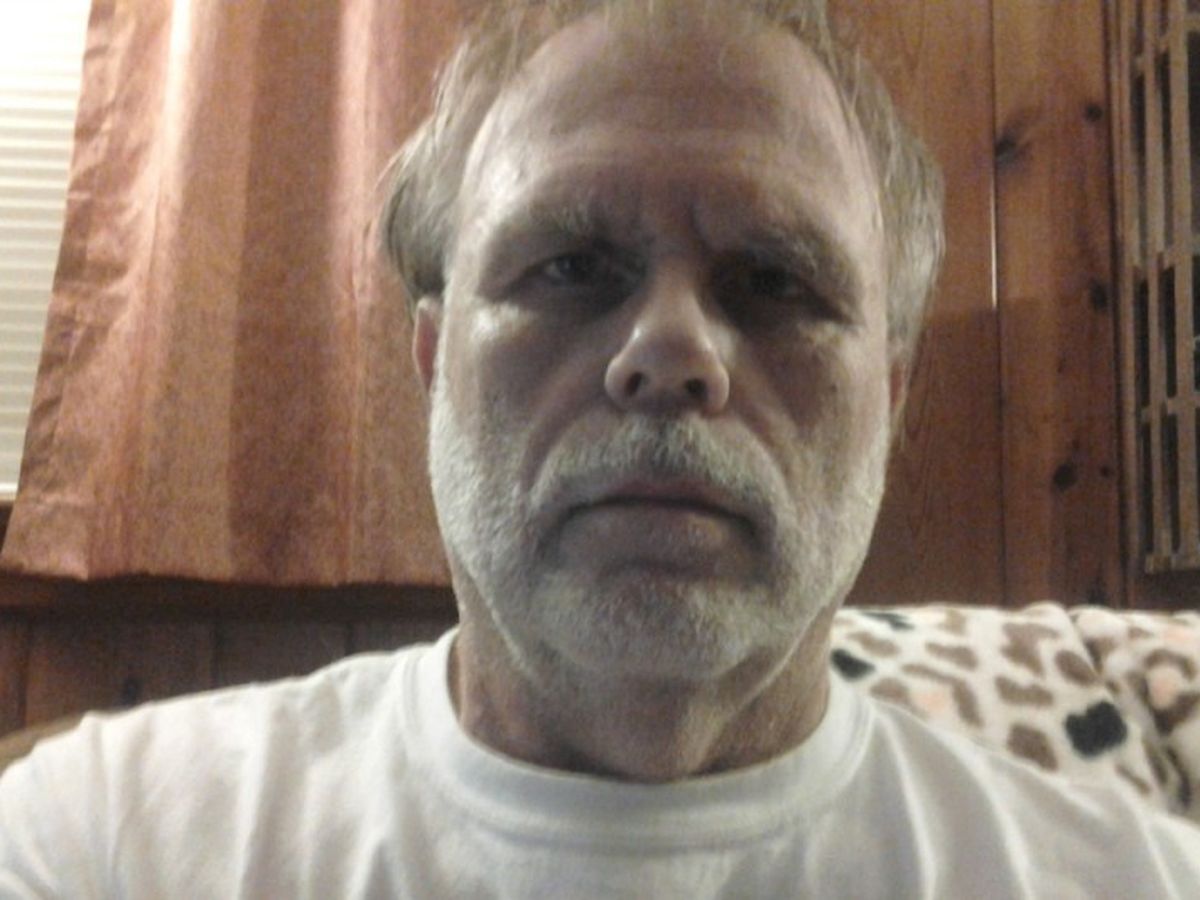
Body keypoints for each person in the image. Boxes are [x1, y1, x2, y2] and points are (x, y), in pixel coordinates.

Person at [2, 0, 1199, 897]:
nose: (671, 352)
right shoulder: (101, 844)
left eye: (776, 283)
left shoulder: (1132, 879)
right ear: (434, 362)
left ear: (888, 398)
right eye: (571, 267)